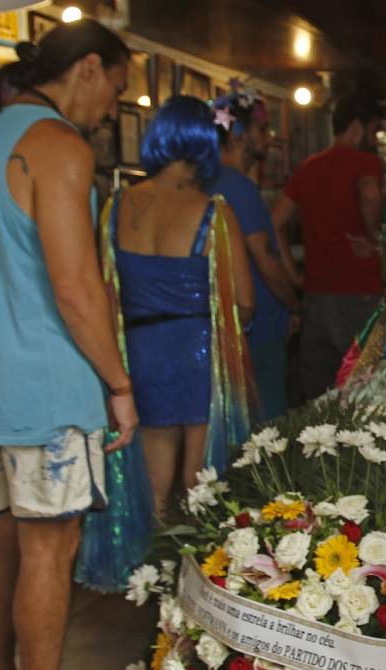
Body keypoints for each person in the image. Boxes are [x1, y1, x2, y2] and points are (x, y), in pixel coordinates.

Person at [0, 21, 136, 670]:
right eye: (116, 87)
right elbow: (76, 289)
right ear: (87, 68)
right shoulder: (56, 144)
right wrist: (120, 385)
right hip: (43, 383)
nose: (112, 108)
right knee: (51, 547)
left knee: (9, 536)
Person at [106, 95, 254, 516]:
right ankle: (188, 573)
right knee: (200, 489)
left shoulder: (116, 206)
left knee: (152, 491)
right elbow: (245, 304)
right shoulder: (214, 213)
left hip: (140, 353)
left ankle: (149, 575)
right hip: (198, 353)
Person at [270, 96, 384, 398]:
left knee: (315, 390)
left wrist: (294, 275)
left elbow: (275, 221)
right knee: (362, 386)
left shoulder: (309, 167)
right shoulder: (365, 162)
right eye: (373, 131)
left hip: (317, 293)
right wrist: (374, 237)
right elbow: (371, 194)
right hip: (360, 290)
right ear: (358, 127)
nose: (373, 139)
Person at [208, 84, 299, 421]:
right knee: (267, 424)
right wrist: (295, 303)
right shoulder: (239, 188)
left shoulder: (207, 180)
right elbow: (264, 261)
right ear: (240, 134)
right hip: (255, 329)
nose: (270, 135)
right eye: (262, 127)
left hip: (228, 327)